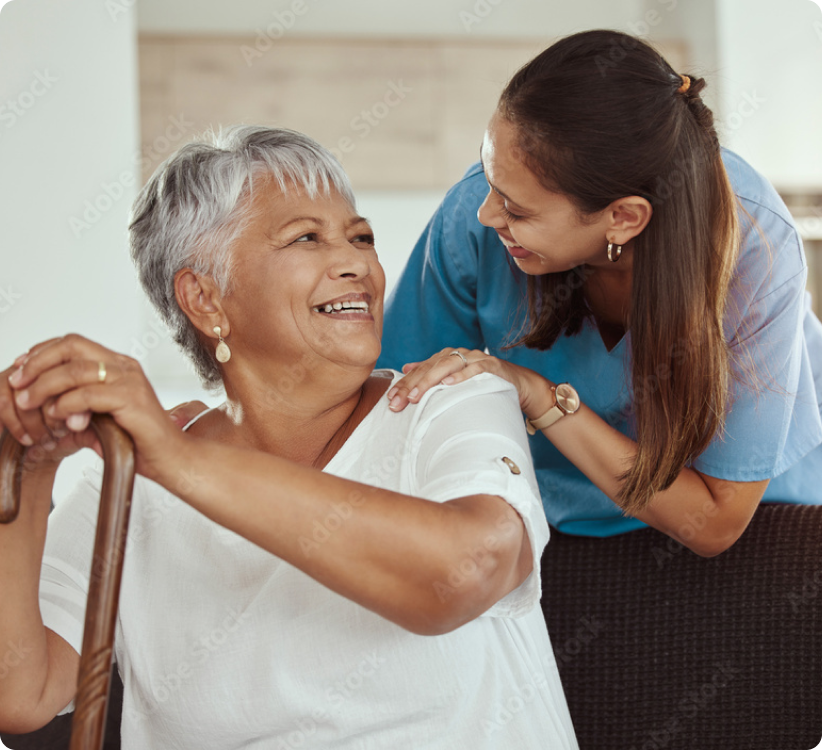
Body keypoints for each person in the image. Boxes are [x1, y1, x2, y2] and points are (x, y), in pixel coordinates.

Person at [0, 127, 578, 748]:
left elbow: (466, 571)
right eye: (307, 237)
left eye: (361, 237)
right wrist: (26, 470)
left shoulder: (451, 399)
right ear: (205, 297)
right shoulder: (128, 476)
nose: (358, 262)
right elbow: (21, 694)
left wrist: (178, 463)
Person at [377, 29, 822, 558]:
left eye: (517, 210)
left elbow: (713, 522)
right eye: (489, 177)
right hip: (546, 522)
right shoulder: (473, 219)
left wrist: (538, 396)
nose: (485, 213)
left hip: (756, 528)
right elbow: (399, 414)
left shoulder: (755, 247)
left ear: (623, 219)